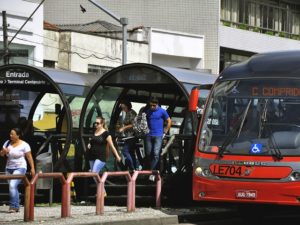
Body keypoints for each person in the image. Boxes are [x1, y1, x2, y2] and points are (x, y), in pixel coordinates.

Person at [0, 127, 35, 213]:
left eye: (12, 134)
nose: (10, 135)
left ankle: (13, 206)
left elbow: (29, 157)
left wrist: (32, 168)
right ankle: (17, 204)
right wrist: (4, 152)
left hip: (20, 167)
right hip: (9, 168)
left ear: (18, 135)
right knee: (13, 187)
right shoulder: (7, 143)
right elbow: (1, 154)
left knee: (12, 186)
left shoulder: (24, 145)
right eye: (10, 134)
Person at [145, 97, 171, 181]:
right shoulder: (148, 111)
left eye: (154, 105)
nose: (152, 107)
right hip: (149, 135)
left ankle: (152, 173)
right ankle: (152, 170)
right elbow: (144, 121)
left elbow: (169, 121)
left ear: (157, 104)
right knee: (148, 154)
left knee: (156, 154)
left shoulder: (162, 111)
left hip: (158, 135)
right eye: (151, 105)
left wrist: (165, 132)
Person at [118, 100, 138, 170]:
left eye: (123, 106)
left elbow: (134, 124)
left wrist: (124, 128)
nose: (122, 108)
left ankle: (132, 168)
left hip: (132, 136)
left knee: (125, 151)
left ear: (127, 106)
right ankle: (133, 168)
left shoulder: (131, 113)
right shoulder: (127, 113)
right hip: (128, 136)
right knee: (131, 152)